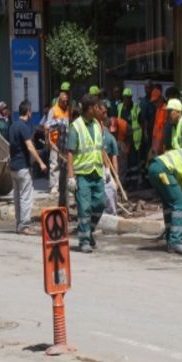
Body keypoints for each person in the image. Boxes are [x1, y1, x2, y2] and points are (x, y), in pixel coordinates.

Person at [67, 94, 106, 253]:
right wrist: (71, 177)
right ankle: (84, 240)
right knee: (84, 209)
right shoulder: (75, 126)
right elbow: (70, 152)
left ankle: (88, 231)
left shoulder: (97, 124)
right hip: (82, 175)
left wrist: (107, 169)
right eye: (96, 107)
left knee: (100, 204)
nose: (99, 109)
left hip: (97, 173)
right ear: (90, 109)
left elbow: (100, 148)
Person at [147, 148, 182, 256]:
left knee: (169, 204)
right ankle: (176, 242)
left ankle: (170, 240)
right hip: (163, 170)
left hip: (153, 168)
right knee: (180, 204)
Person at [9, 100, 47, 236]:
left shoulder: (13, 126)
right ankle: (24, 226)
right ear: (29, 111)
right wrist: (41, 162)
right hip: (23, 167)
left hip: (13, 167)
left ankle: (19, 224)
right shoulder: (23, 127)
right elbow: (30, 146)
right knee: (25, 197)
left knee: (18, 197)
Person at [44, 84, 71, 195]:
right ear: (59, 100)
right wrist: (48, 141)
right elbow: (47, 126)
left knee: (65, 164)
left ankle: (64, 186)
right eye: (63, 101)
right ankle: (53, 186)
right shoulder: (53, 110)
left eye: (66, 101)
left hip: (66, 142)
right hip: (55, 142)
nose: (65, 103)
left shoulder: (69, 110)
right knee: (54, 164)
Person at [117, 88, 142, 189]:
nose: (126, 100)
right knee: (123, 163)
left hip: (134, 140)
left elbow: (141, 122)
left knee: (133, 163)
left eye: (127, 98)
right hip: (122, 139)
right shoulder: (120, 107)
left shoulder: (136, 108)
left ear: (131, 98)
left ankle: (134, 183)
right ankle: (125, 183)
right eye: (124, 98)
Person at [151, 88, 167, 157]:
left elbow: (164, 129)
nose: (155, 104)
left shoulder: (166, 110)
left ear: (160, 98)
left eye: (156, 101)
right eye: (154, 102)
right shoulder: (158, 109)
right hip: (156, 143)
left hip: (162, 144)